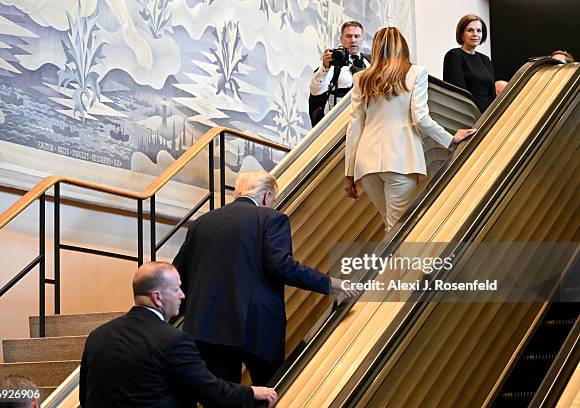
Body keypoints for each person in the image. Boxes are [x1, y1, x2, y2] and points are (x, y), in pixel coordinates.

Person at [173, 171, 355, 386]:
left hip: (205, 328)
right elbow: (282, 266)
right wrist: (330, 283)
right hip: (256, 327)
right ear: (267, 196)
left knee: (221, 397)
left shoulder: (201, 223)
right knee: (269, 390)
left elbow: (178, 272)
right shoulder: (272, 219)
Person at [79, 262, 277, 408]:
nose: (182, 295)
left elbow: (85, 398)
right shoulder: (173, 340)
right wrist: (252, 392)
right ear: (157, 298)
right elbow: (211, 392)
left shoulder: (98, 336)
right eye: (177, 289)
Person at [344, 27, 476, 233]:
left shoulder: (362, 78)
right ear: (402, 46)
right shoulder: (415, 73)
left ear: (376, 48)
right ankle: (394, 266)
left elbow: (354, 126)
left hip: (367, 165)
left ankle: (388, 265)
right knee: (397, 229)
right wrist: (450, 139)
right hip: (401, 161)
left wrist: (349, 174)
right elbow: (421, 119)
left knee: (390, 225)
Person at [309, 21, 371, 126]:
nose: (353, 40)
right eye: (348, 36)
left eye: (357, 36)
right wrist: (325, 67)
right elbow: (316, 91)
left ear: (362, 40)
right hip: (337, 124)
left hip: (366, 123)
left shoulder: (371, 62)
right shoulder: (333, 64)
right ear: (341, 39)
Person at [443, 14, 495, 113]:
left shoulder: (485, 60)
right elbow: (459, 92)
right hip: (467, 115)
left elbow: (491, 94)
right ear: (462, 34)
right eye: (470, 30)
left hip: (488, 115)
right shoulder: (454, 56)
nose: (475, 34)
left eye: (479, 31)